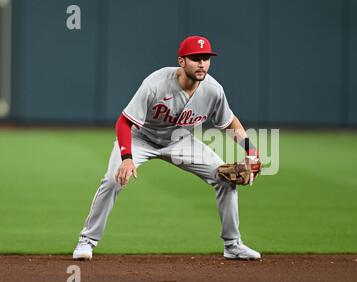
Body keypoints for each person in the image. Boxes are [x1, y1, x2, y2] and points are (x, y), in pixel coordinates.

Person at [73, 35, 261, 261]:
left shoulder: (213, 90)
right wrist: (127, 157)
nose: (202, 64)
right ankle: (87, 241)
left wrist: (252, 151)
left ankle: (232, 245)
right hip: (140, 138)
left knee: (225, 178)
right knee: (114, 180)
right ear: (182, 61)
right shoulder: (156, 83)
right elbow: (124, 122)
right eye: (195, 58)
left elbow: (230, 122)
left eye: (206, 58)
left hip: (181, 141)